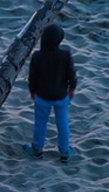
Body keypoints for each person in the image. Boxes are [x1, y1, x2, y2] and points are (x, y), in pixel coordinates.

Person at [24, 23, 77, 162]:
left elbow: (32, 77)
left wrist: (32, 91)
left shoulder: (37, 56)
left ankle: (37, 149)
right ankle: (65, 152)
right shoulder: (65, 55)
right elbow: (71, 74)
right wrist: (72, 88)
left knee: (40, 123)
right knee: (62, 123)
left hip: (42, 96)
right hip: (61, 96)